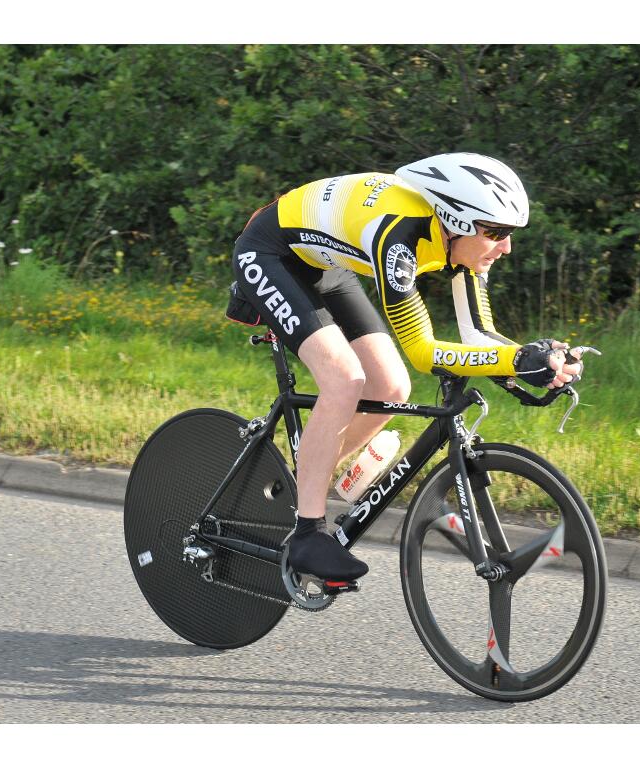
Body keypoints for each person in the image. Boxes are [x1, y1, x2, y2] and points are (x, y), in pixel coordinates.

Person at [227, 152, 584, 582]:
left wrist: (535, 361)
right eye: (496, 232)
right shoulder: (398, 238)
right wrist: (513, 361)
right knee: (344, 379)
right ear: (455, 220)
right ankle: (307, 535)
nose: (506, 246)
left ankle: (304, 483)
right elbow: (421, 351)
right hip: (270, 253)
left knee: (391, 388)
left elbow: (479, 335)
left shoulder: (462, 245)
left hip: (326, 265)